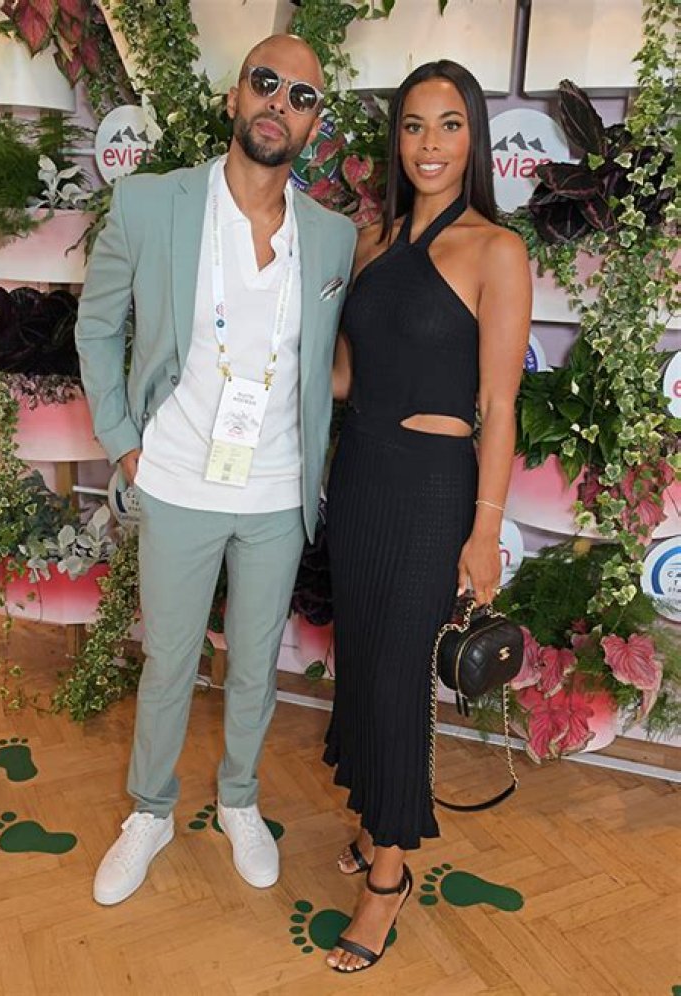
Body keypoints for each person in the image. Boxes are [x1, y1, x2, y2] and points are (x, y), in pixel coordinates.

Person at [75, 34, 356, 905]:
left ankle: (238, 799)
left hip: (275, 492)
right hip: (175, 482)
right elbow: (97, 325)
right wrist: (124, 441)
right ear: (235, 97)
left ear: (314, 125)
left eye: (302, 95)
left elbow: (334, 362)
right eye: (265, 82)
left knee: (255, 663)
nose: (280, 103)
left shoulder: (333, 237)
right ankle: (150, 811)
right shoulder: (151, 204)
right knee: (168, 661)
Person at [323, 60, 531, 972]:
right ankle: (375, 821)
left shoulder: (496, 250)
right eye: (413, 125)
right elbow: (343, 376)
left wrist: (484, 531)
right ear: (396, 138)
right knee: (363, 662)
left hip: (432, 491)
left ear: (473, 136)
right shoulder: (370, 244)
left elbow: (500, 405)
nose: (430, 144)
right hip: (360, 477)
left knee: (400, 678)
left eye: (449, 125)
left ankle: (389, 878)